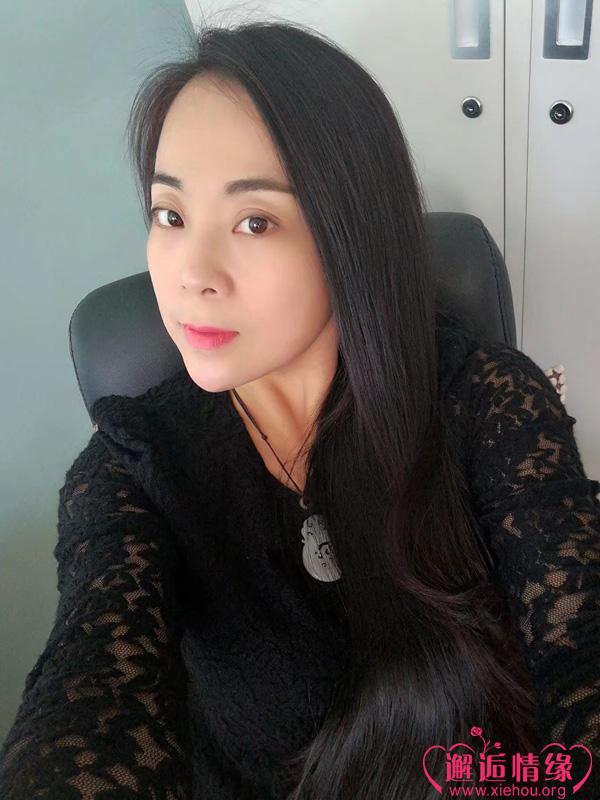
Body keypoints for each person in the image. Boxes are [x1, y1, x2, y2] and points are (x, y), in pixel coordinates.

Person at [1, 18, 598, 800]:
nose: (191, 273)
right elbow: (93, 688)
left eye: (255, 221)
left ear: (352, 235)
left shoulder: (487, 402)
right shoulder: (134, 467)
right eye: (170, 215)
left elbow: (581, 643)